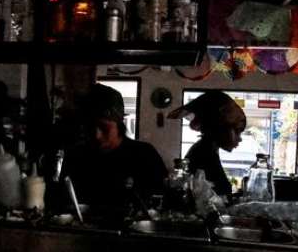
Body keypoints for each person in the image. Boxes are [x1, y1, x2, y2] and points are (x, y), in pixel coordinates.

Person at [62, 83, 167, 221]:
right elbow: (62, 202)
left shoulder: (144, 155)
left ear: (119, 124)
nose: (96, 135)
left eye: (104, 128)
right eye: (89, 127)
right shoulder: (76, 155)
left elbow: (162, 204)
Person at [167, 90, 246, 197]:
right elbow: (219, 193)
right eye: (237, 131)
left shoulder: (206, 148)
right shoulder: (205, 152)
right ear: (221, 127)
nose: (240, 139)